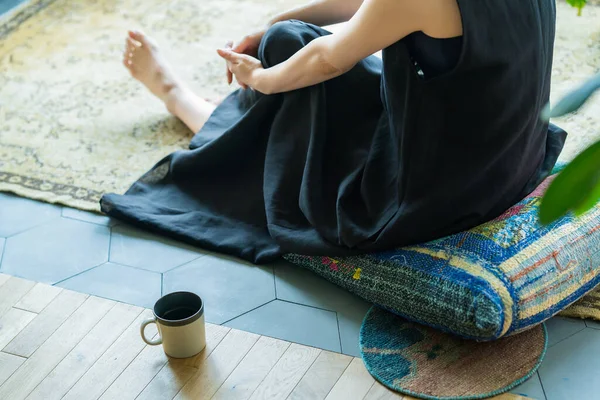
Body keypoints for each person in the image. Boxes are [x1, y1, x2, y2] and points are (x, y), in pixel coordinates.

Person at [101, 0, 566, 264]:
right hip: (510, 159)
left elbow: (329, 58)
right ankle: (202, 93)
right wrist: (272, 25)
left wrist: (260, 77)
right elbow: (371, 8)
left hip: (435, 197)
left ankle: (175, 94)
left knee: (291, 69)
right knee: (289, 40)